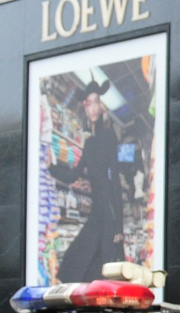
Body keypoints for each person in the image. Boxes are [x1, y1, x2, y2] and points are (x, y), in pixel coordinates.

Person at [52, 84, 127, 285]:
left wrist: (119, 225)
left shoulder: (109, 137)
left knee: (104, 269)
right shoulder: (89, 144)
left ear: (101, 106)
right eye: (89, 103)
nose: (92, 108)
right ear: (85, 107)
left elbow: (116, 182)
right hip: (96, 214)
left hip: (109, 216)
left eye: (96, 102)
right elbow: (72, 176)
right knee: (75, 260)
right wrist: (50, 168)